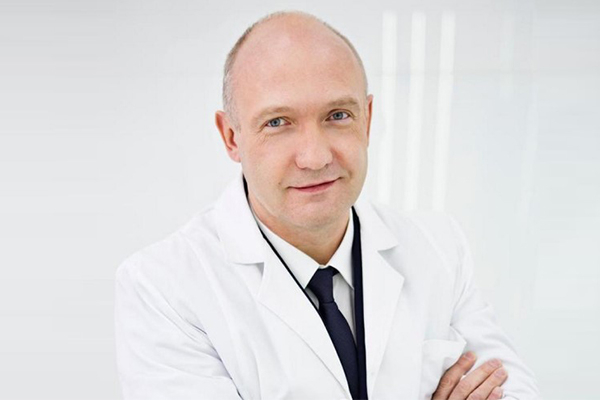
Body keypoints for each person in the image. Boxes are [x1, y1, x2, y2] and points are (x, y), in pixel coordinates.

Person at [114, 11, 541, 400]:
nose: (315, 157)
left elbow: (515, 391)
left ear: (367, 120)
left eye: (337, 115)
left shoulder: (439, 248)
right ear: (231, 137)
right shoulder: (163, 287)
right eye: (277, 122)